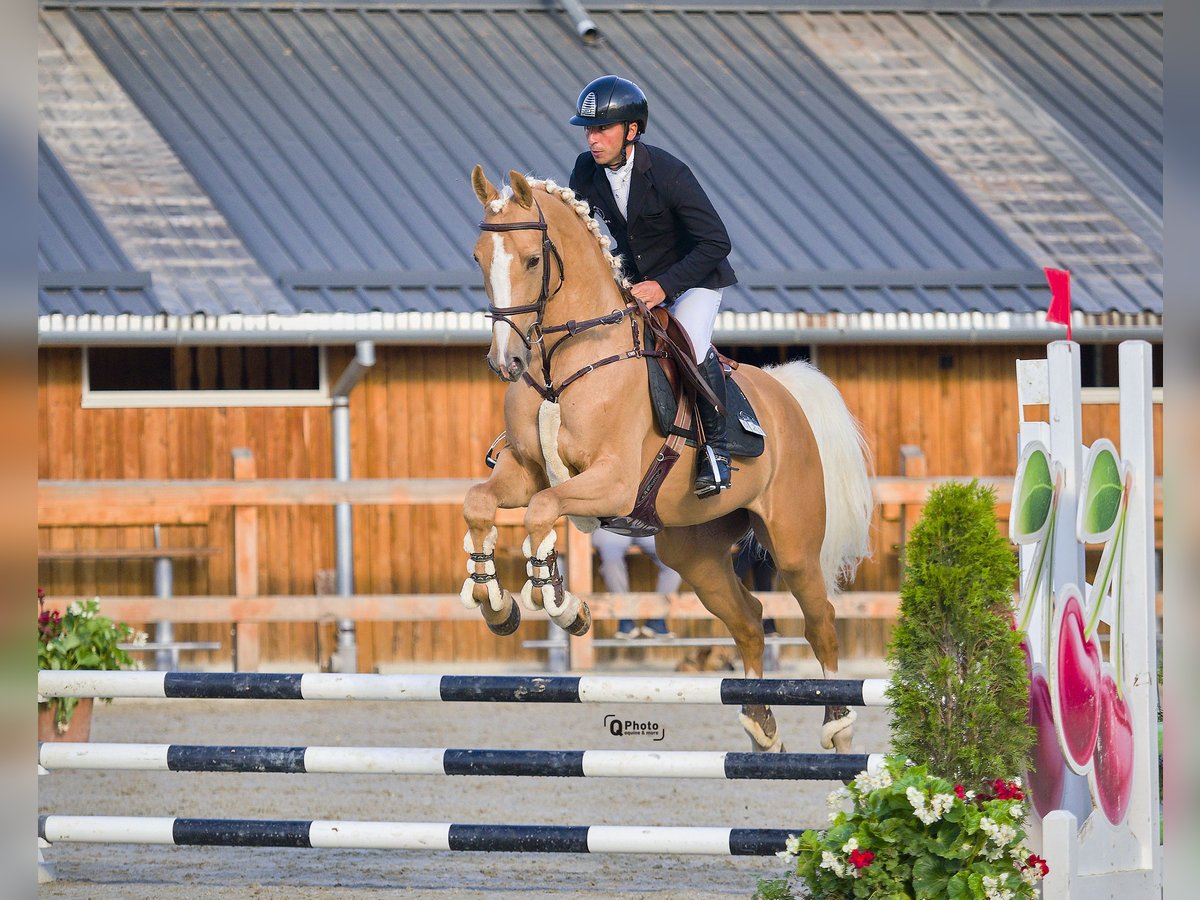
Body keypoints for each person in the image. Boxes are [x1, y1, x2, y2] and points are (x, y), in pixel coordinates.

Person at [568, 75, 738, 498]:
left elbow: (717, 242)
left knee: (688, 343)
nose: (593, 139)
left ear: (631, 131)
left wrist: (664, 285)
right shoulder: (584, 171)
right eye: (589, 129)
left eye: (602, 129)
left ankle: (717, 450)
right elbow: (580, 237)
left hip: (693, 280)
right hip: (636, 285)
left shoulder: (668, 172)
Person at [591, 526, 680, 639]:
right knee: (611, 560)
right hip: (610, 525)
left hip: (644, 524)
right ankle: (624, 618)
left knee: (675, 560)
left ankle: (657, 618)